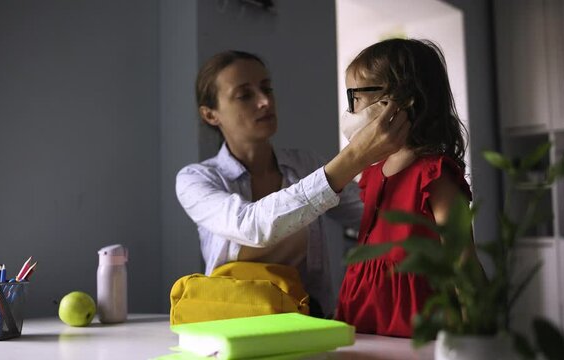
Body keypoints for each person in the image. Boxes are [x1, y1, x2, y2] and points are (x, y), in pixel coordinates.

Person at [175, 50, 410, 317]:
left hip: (308, 321)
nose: (264, 101)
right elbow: (251, 226)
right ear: (210, 115)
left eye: (267, 88)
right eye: (244, 95)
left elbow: (375, 214)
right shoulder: (195, 179)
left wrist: (412, 168)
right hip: (231, 325)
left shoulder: (306, 164)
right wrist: (354, 157)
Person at [335, 38, 473, 336]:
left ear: (399, 100)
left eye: (355, 97)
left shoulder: (435, 176)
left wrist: (477, 336)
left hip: (419, 323)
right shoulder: (370, 175)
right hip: (364, 316)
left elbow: (464, 264)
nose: (351, 110)